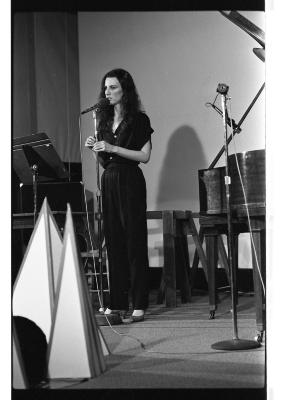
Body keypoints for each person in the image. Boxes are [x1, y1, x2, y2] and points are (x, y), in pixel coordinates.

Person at [85, 68, 154, 322]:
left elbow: (144, 156)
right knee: (113, 241)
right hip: (110, 179)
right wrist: (95, 149)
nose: (107, 92)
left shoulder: (139, 119)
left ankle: (139, 302)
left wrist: (114, 146)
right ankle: (117, 302)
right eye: (105, 88)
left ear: (125, 90)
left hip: (130, 180)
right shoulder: (103, 122)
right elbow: (105, 162)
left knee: (134, 240)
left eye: (113, 87)